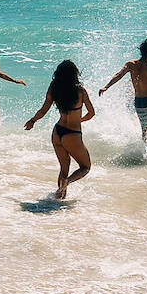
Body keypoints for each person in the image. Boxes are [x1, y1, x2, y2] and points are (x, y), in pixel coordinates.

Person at [23, 59, 95, 199]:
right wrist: (79, 120)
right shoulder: (80, 90)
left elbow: (43, 110)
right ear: (75, 74)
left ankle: (58, 200)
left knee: (64, 169)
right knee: (85, 167)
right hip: (72, 134)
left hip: (57, 132)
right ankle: (67, 183)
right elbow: (91, 113)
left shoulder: (54, 88)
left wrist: (32, 121)